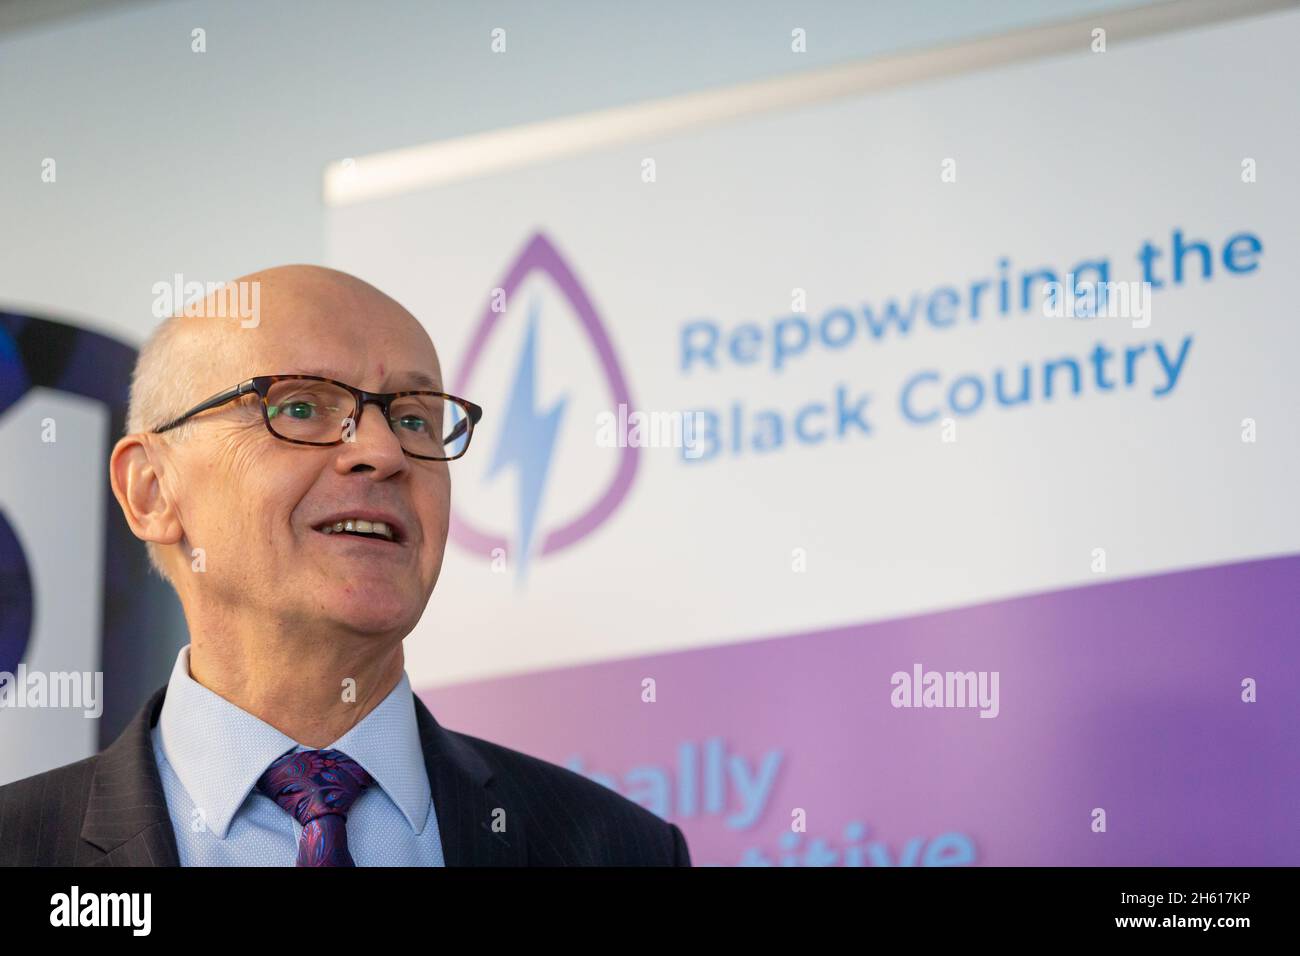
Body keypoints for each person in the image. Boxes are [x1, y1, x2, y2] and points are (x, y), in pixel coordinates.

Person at [0, 265, 690, 866]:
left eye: (417, 420)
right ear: (151, 489)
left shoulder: (613, 847)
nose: (384, 453)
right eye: (300, 407)